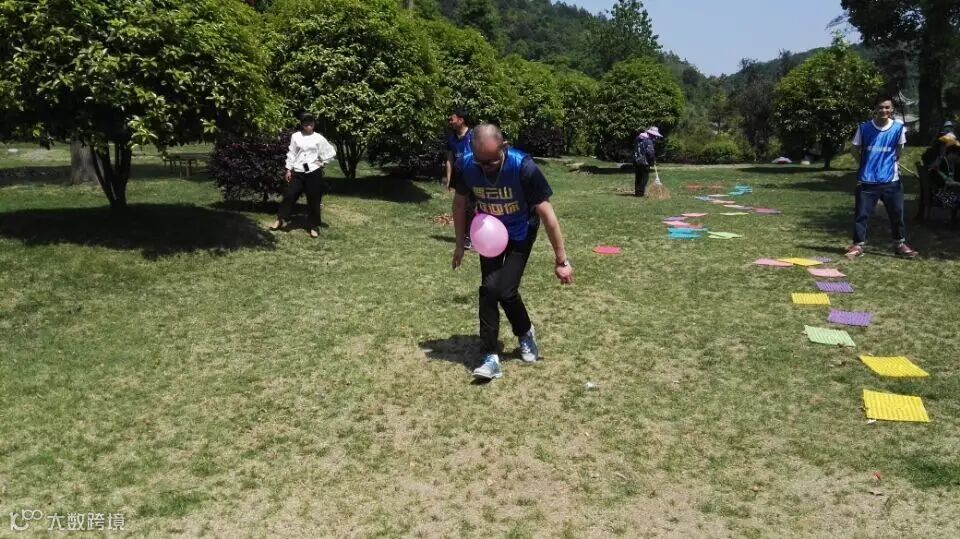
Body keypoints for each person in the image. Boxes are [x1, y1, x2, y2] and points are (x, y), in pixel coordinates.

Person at [451, 124, 573, 381]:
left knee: (506, 291)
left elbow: (548, 215)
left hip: (521, 231)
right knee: (488, 289)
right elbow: (460, 203)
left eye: (492, 162)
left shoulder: (523, 167)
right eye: (481, 162)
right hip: (489, 233)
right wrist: (460, 244)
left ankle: (525, 332)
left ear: (504, 147)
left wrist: (561, 260)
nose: (486, 168)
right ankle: (490, 356)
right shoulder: (466, 165)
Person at [846, 96, 919, 259]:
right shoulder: (864, 128)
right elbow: (854, 149)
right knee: (861, 214)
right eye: (880, 107)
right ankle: (857, 246)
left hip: (891, 180)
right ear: (875, 109)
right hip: (867, 180)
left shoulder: (898, 128)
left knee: (896, 214)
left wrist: (893, 162)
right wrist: (863, 164)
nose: (884, 110)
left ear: (892, 109)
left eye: (887, 107)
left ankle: (900, 245)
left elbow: (899, 149)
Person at [268, 113, 337, 238]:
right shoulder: (296, 136)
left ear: (314, 124)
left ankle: (313, 225)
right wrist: (288, 169)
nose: (308, 124)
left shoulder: (319, 138)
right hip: (298, 171)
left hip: (313, 171)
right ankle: (280, 219)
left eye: (311, 122)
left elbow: (331, 152)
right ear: (302, 124)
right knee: (290, 194)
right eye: (305, 122)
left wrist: (322, 162)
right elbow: (292, 153)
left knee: (314, 199)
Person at [632, 126, 661, 197]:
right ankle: (641, 193)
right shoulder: (648, 141)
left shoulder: (637, 138)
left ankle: (637, 193)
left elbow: (635, 148)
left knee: (638, 177)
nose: (655, 137)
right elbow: (650, 153)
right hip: (645, 162)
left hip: (636, 161)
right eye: (654, 135)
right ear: (651, 134)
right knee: (645, 177)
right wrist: (652, 160)